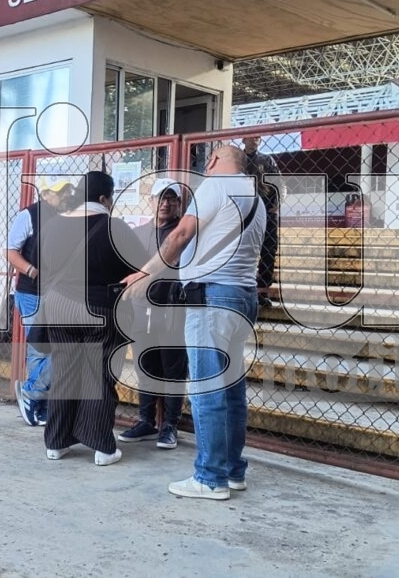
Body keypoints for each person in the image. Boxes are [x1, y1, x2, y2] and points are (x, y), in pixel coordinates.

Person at [123, 144, 265, 500]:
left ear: (214, 161)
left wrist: (144, 274)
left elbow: (181, 234)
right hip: (242, 298)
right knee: (232, 390)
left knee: (206, 389)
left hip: (211, 300)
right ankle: (233, 470)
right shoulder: (256, 199)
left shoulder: (215, 186)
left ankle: (209, 477)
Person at [34, 171, 148, 467]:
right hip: (101, 309)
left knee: (65, 373)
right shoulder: (115, 227)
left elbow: (42, 263)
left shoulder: (54, 225)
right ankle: (101, 446)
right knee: (98, 375)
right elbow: (141, 266)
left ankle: (56, 443)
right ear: (104, 198)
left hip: (59, 307)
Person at [117, 178, 187, 450]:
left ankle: (169, 425)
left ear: (179, 204)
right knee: (145, 366)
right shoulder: (140, 232)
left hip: (171, 312)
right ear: (151, 201)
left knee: (172, 370)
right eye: (161, 198)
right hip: (140, 311)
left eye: (171, 199)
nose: (165, 203)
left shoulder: (184, 233)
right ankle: (146, 420)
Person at [6, 178, 74, 426]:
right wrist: (32, 271)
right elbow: (11, 250)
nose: (66, 195)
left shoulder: (69, 216)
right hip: (32, 292)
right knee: (39, 348)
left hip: (60, 293)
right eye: (61, 191)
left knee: (58, 346)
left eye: (68, 190)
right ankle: (37, 402)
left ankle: (33, 393)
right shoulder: (29, 215)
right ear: (46, 193)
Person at [243, 135, 281, 308]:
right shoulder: (238, 160)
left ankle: (263, 291)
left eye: (258, 137)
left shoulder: (267, 160)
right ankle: (244, 288)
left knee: (268, 249)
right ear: (243, 139)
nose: (255, 140)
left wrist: (277, 203)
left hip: (265, 208)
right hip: (244, 210)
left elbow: (279, 183)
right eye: (251, 137)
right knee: (244, 249)